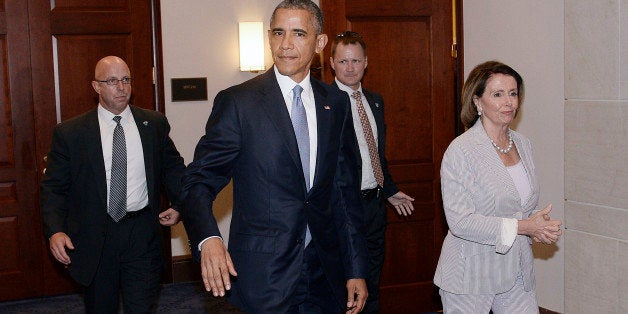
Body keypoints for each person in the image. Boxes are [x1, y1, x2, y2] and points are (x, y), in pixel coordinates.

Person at [180, 1, 369, 313]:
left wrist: (356, 269)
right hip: (263, 274)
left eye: (298, 34)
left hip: (325, 273)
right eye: (278, 33)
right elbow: (197, 182)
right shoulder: (239, 103)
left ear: (319, 42)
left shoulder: (335, 104)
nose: (285, 45)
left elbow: (345, 195)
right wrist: (209, 239)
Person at [41, 56, 186, 313]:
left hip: (142, 232)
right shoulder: (71, 133)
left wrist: (179, 204)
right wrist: (55, 230)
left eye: (126, 79)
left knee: (141, 306)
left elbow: (173, 168)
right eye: (112, 81)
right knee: (100, 306)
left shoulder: (153, 124)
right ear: (96, 87)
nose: (121, 87)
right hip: (96, 234)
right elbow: (53, 188)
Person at [433, 61, 562, 313]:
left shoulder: (523, 144)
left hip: (517, 271)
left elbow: (517, 202)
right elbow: (461, 222)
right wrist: (525, 227)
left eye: (513, 93)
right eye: (498, 94)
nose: (509, 102)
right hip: (470, 274)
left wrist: (538, 224)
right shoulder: (461, 151)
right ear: (478, 102)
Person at [329, 30, 415, 313]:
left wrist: (389, 190)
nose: (350, 68)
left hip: (374, 207)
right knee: (344, 286)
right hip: (340, 211)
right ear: (332, 63)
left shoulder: (375, 101)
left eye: (356, 61)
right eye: (343, 61)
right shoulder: (323, 104)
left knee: (372, 284)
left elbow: (375, 155)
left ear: (366, 62)